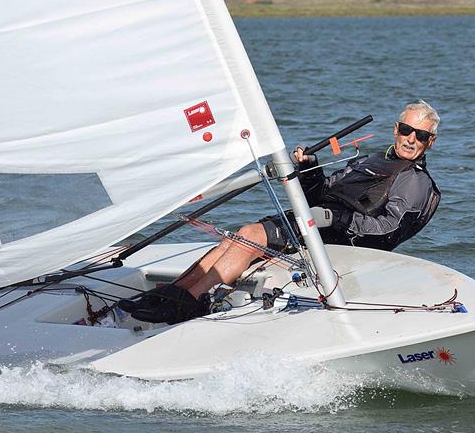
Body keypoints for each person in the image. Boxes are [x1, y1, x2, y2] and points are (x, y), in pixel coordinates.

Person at [121, 100, 441, 324]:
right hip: (315, 219)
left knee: (250, 237)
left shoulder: (414, 181)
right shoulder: (370, 160)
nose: (411, 140)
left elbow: (387, 229)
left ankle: (189, 303)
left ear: (430, 142)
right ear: (396, 129)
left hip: (337, 234)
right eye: (406, 130)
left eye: (421, 136)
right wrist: (310, 169)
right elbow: (321, 192)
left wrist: (339, 219)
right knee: (239, 235)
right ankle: (173, 294)